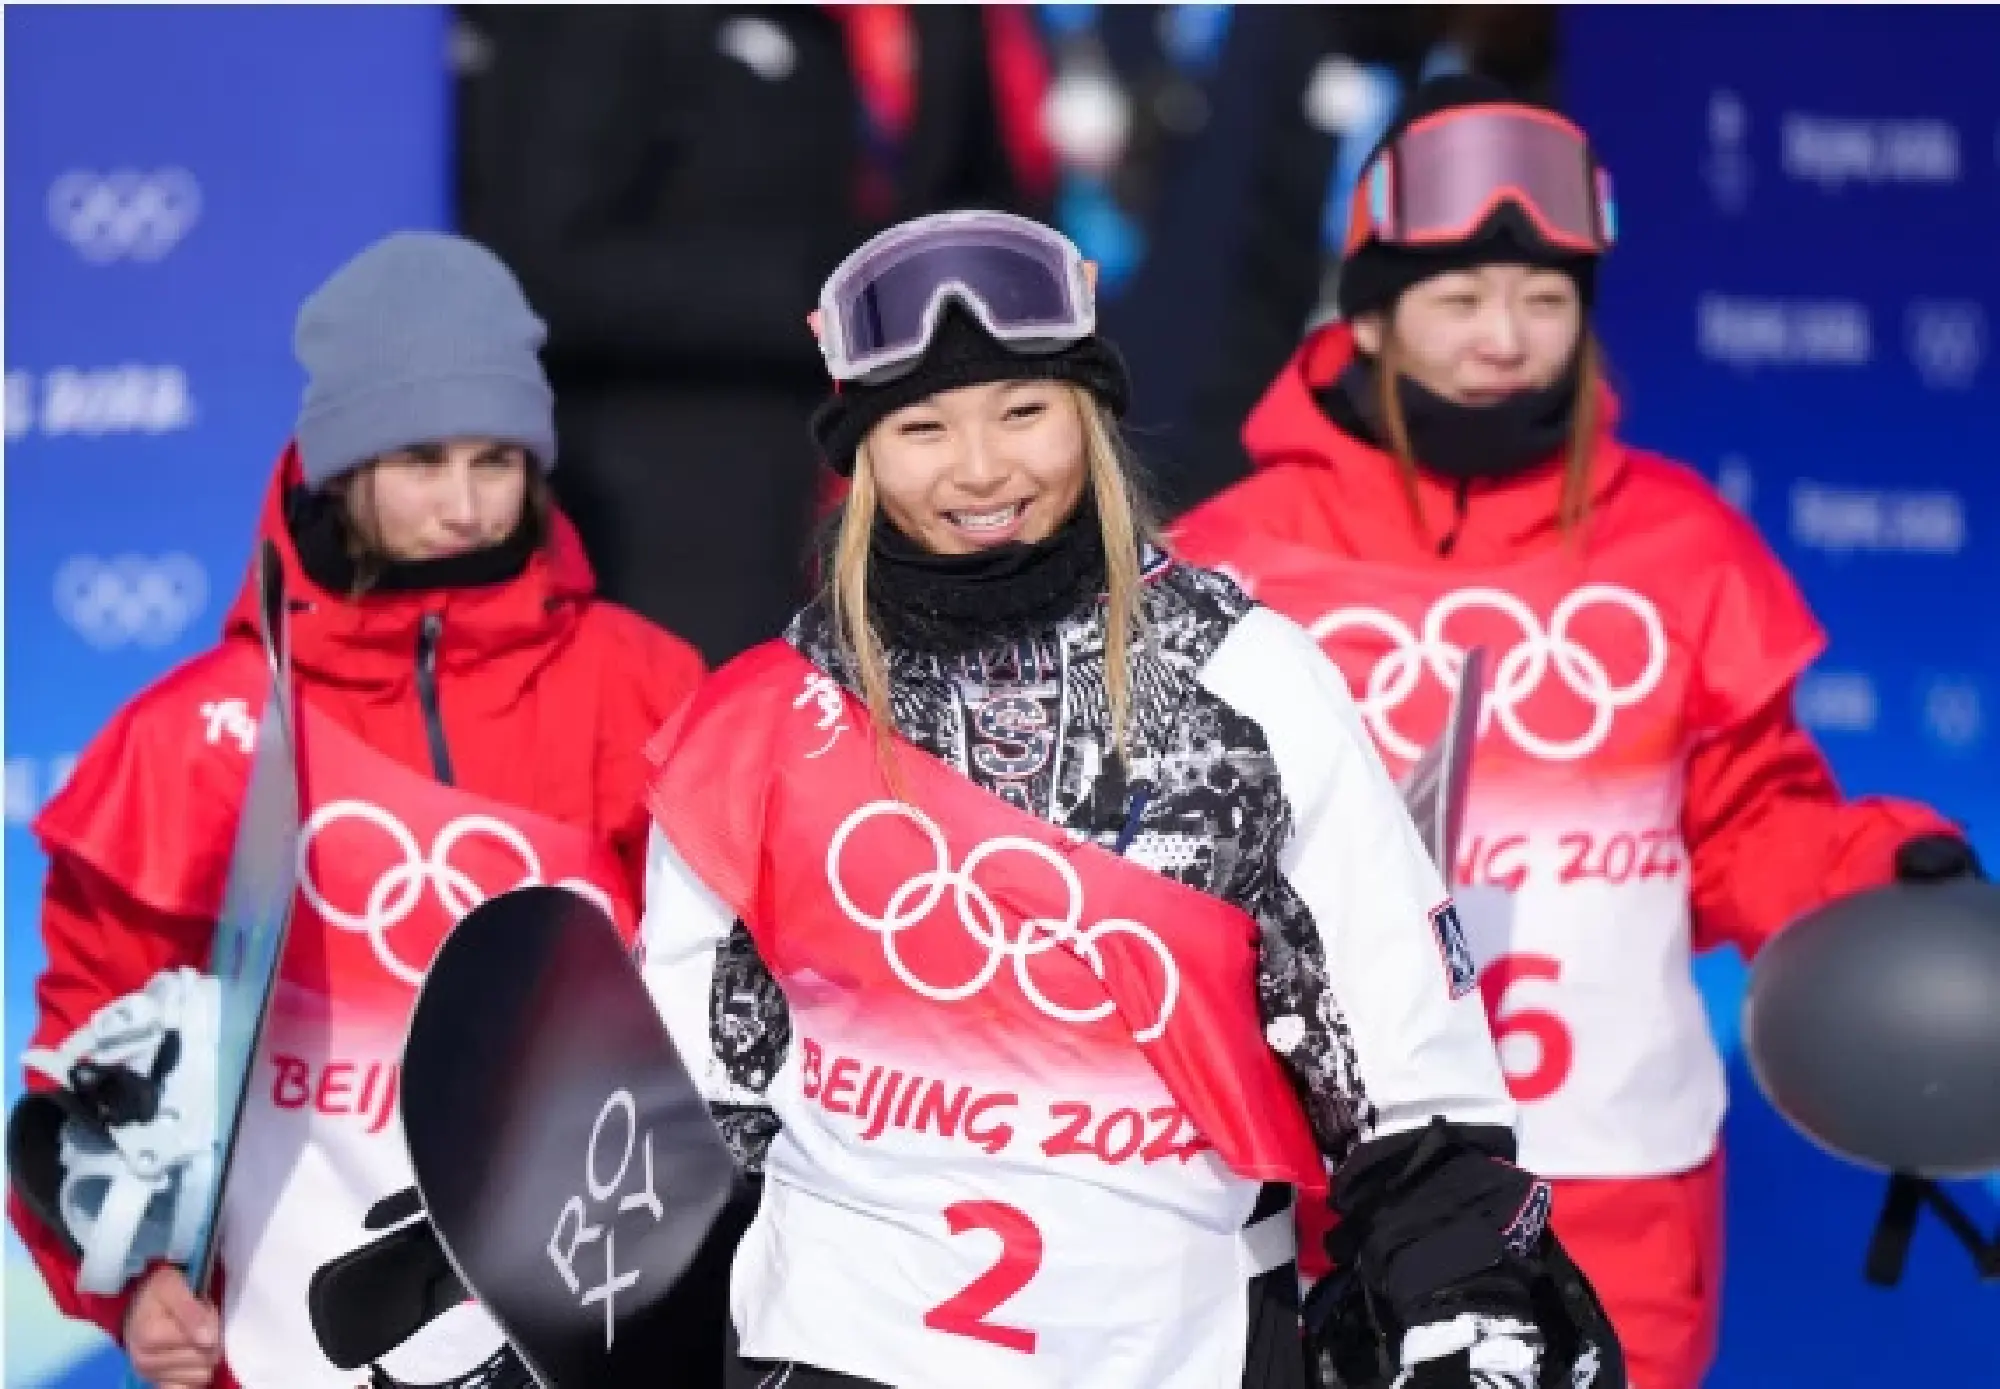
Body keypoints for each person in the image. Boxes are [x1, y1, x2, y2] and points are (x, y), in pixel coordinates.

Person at [639, 209, 1613, 1389]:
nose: (980, 468)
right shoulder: (764, 717)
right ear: (859, 456)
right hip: (838, 1341)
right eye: (921, 428)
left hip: (1170, 1340)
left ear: (1088, 418)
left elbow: (1402, 1046)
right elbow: (695, 1087)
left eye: (1023, 411)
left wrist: (1458, 1291)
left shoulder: (1249, 680)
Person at [1170, 75, 1984, 1389]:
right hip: (1337, 1180)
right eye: (1458, 297)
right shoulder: (1228, 561)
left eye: (1545, 299)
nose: (1505, 336)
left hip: (1613, 1161)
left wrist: (1869, 877)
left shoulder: (1677, 542)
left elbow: (1743, 822)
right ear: (1369, 310)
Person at [7, 231, 706, 1389]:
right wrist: (133, 1288)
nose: (468, 502)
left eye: (497, 459)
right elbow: (87, 1065)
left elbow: (727, 1019)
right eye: (421, 458)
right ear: (337, 470)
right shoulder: (195, 735)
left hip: (579, 1320)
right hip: (281, 1333)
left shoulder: (643, 689)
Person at [461, 5, 1056, 665]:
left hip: (905, 505)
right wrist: (835, 290)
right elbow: (539, 263)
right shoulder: (611, 20)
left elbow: (983, 199)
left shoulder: (947, 19)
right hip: (678, 512)